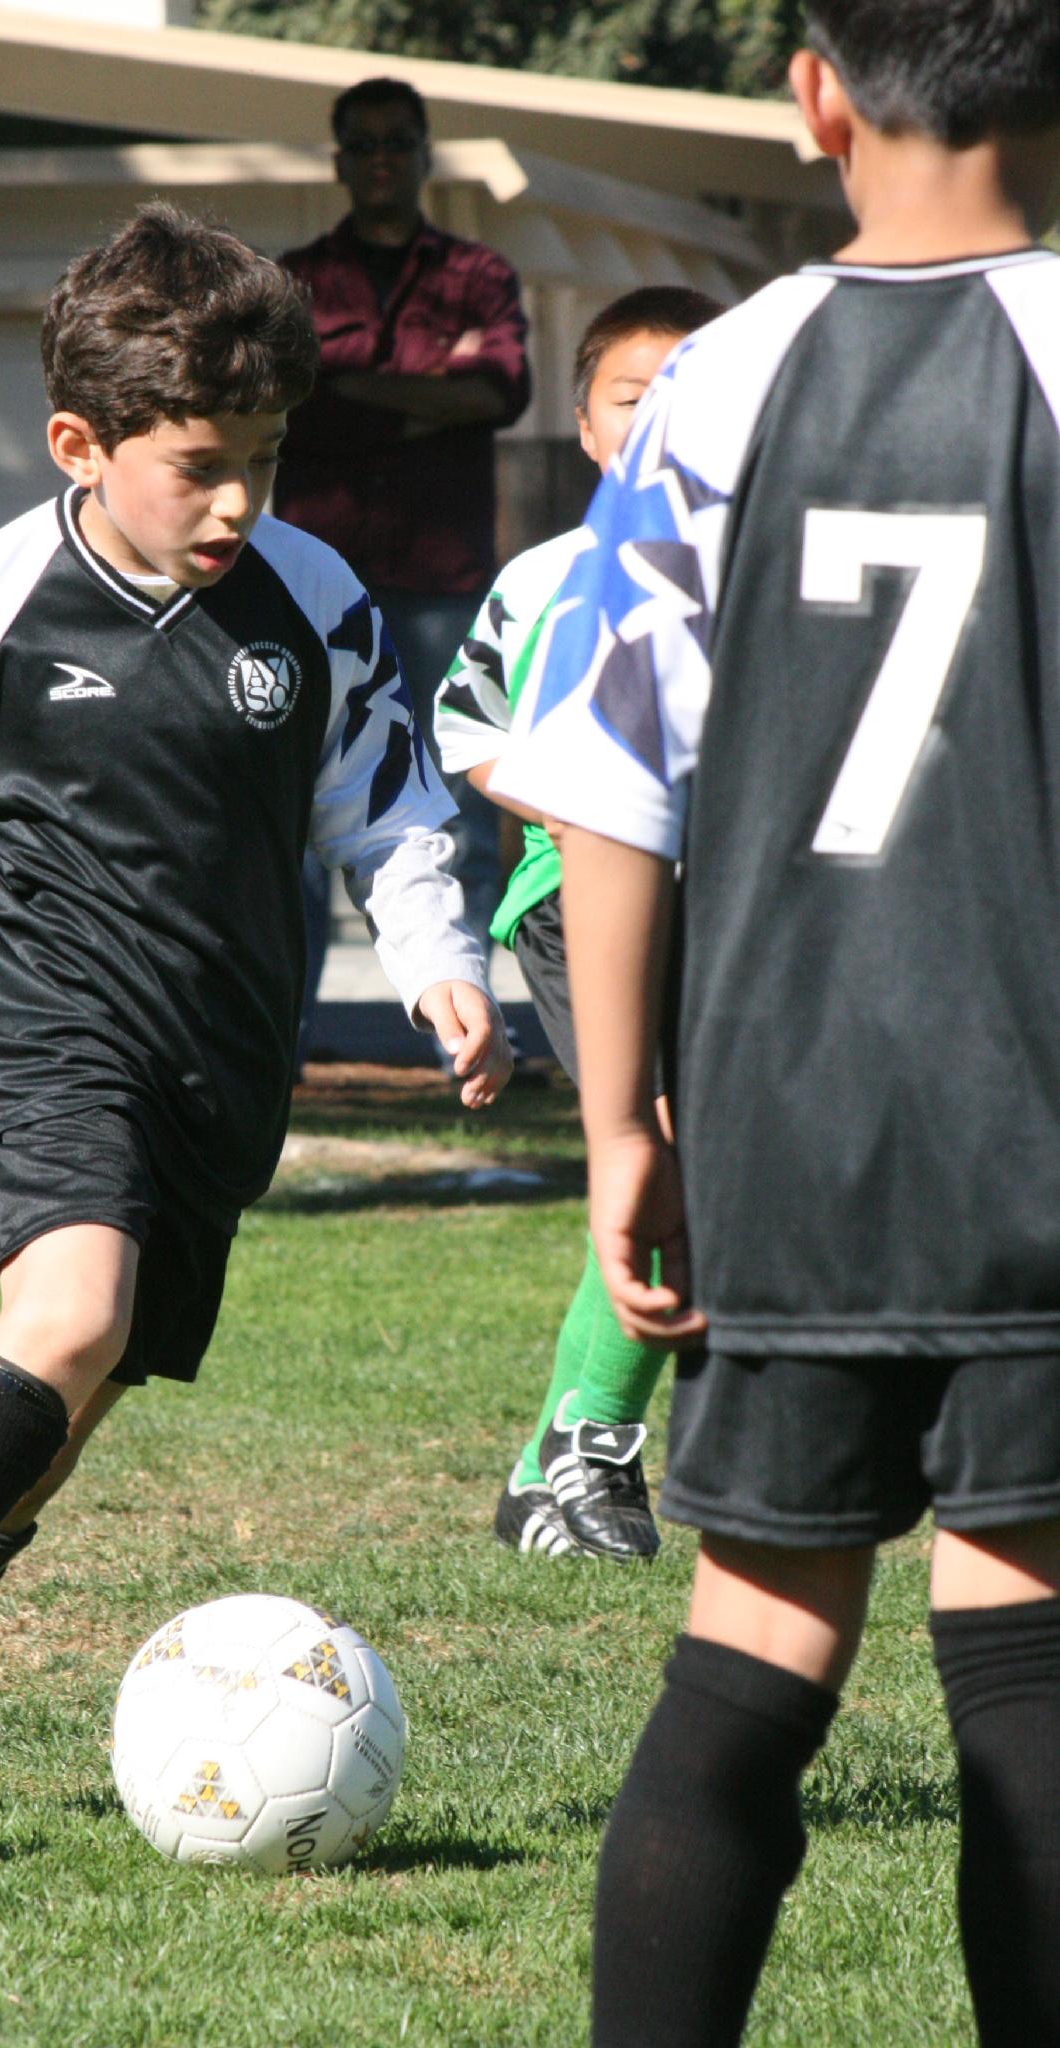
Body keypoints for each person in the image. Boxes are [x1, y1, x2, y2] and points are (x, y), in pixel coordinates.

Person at [0, 201, 511, 1839]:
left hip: (217, 1041)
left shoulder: (313, 599)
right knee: (71, 1311)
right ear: (80, 444)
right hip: (27, 1000)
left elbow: (388, 803)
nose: (238, 502)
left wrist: (437, 956)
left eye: (266, 461)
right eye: (200, 465)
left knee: (71, 1402)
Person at [495, 2, 1060, 2039]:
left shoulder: (716, 384)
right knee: (1029, 1657)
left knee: (750, 1645)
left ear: (814, 97)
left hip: (787, 1117)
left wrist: (623, 1118)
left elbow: (608, 777)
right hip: (1036, 1123)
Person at [434, 286, 721, 1562]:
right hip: (578, 896)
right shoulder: (551, 575)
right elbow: (469, 730)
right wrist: (589, 805)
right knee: (672, 1139)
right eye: (632, 399)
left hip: (731, 900)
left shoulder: (767, 561)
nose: (659, 422)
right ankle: (583, 1446)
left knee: (722, 1160)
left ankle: (558, 1462)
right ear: (587, 426)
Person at [273, 76, 531, 1034]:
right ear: (339, 160)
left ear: (424, 154)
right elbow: (291, 404)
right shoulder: (294, 282)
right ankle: (287, 1045)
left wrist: (351, 389)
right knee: (292, 809)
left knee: (455, 807)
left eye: (397, 141)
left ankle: (465, 1033)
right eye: (364, 143)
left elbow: (501, 391)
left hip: (441, 581)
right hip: (315, 583)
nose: (381, 158)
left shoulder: (479, 274)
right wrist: (430, 393)